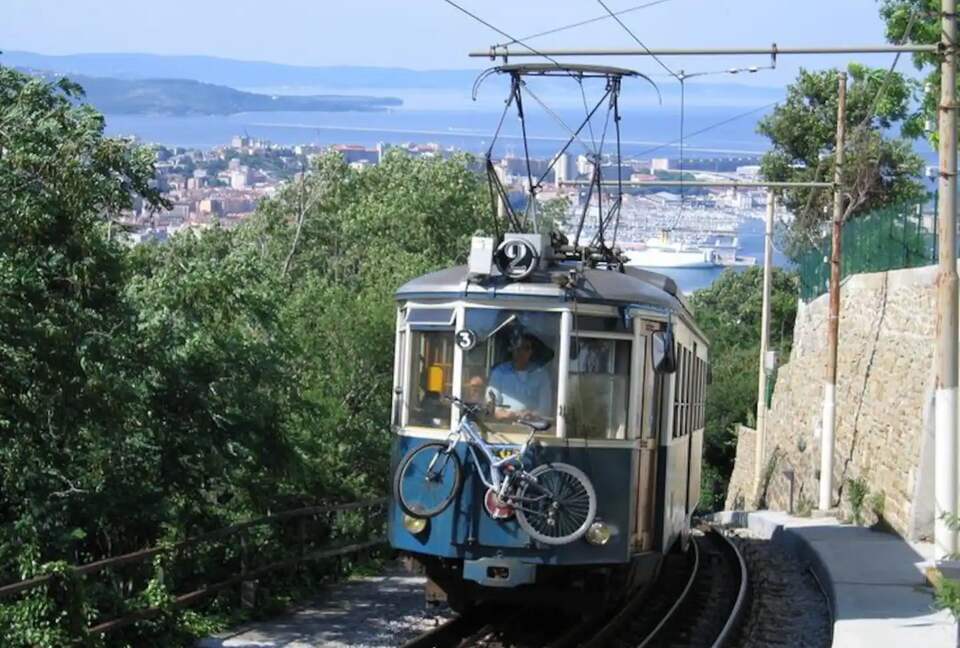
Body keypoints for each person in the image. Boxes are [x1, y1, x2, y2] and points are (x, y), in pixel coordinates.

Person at [486, 332, 553, 420]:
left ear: (531, 351)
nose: (521, 351)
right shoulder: (499, 372)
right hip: (503, 425)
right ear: (512, 349)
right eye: (518, 348)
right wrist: (505, 414)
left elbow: (545, 408)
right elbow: (492, 405)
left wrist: (532, 414)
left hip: (533, 425)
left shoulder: (541, 374)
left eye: (526, 348)